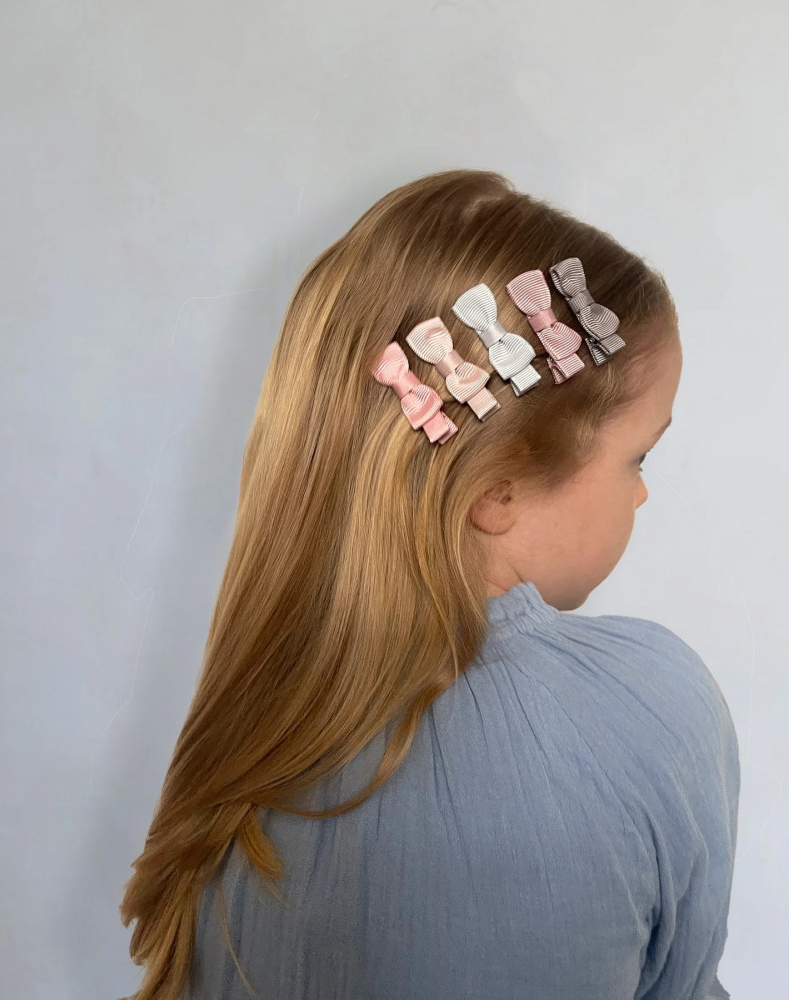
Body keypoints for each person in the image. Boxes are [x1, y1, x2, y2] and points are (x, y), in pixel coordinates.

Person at [118, 169, 740, 1000]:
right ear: (497, 489)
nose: (642, 494)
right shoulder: (648, 705)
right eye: (638, 457)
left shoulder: (252, 747)